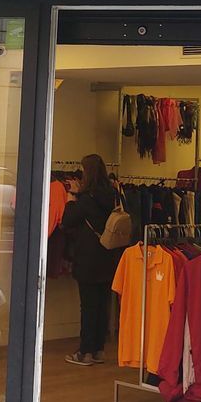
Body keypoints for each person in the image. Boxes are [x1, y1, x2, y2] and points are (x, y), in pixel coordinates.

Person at [59, 154, 127, 366]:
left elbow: (67, 220)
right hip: (109, 256)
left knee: (88, 306)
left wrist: (71, 199)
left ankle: (85, 352)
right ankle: (99, 349)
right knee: (102, 305)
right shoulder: (114, 195)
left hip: (88, 259)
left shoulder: (86, 199)